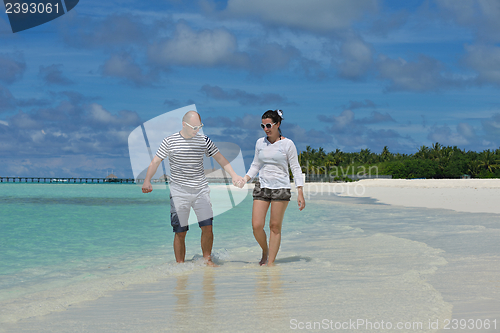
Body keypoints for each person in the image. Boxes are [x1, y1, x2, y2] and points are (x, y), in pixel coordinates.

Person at [142, 110, 243, 266]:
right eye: (194, 127)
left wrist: (234, 175)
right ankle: (180, 265)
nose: (197, 130)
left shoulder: (204, 141)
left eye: (199, 127)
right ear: (184, 124)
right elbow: (155, 162)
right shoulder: (169, 141)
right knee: (180, 232)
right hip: (178, 193)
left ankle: (207, 260)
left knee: (207, 227)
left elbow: (220, 158)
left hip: (200, 190)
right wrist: (147, 180)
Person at [238, 109, 305, 266]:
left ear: (277, 124)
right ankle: (265, 250)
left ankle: (270, 264)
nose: (266, 129)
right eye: (263, 126)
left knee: (274, 226)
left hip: (281, 187)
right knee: (256, 226)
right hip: (262, 186)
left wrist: (300, 191)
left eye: (268, 125)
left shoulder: (288, 144)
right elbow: (256, 164)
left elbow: (295, 168)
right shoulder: (260, 143)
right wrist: (245, 179)